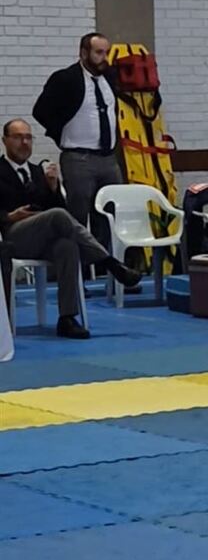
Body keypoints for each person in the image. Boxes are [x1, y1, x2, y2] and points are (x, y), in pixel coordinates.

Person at [0, 119, 140, 339]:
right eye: (17, 137)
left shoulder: (39, 172)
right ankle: (110, 262)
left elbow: (63, 217)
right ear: (4, 141)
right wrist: (9, 216)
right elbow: (58, 217)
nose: (24, 142)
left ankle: (67, 318)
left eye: (28, 137)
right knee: (57, 217)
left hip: (42, 235)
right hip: (13, 236)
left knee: (67, 246)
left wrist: (54, 189)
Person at [32, 33, 123, 253]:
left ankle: (108, 268)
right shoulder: (66, 79)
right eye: (99, 52)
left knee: (111, 213)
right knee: (78, 215)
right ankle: (78, 271)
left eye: (106, 52)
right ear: (84, 53)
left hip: (108, 157)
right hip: (79, 157)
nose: (104, 57)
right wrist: (61, 134)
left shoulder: (109, 77)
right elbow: (41, 111)